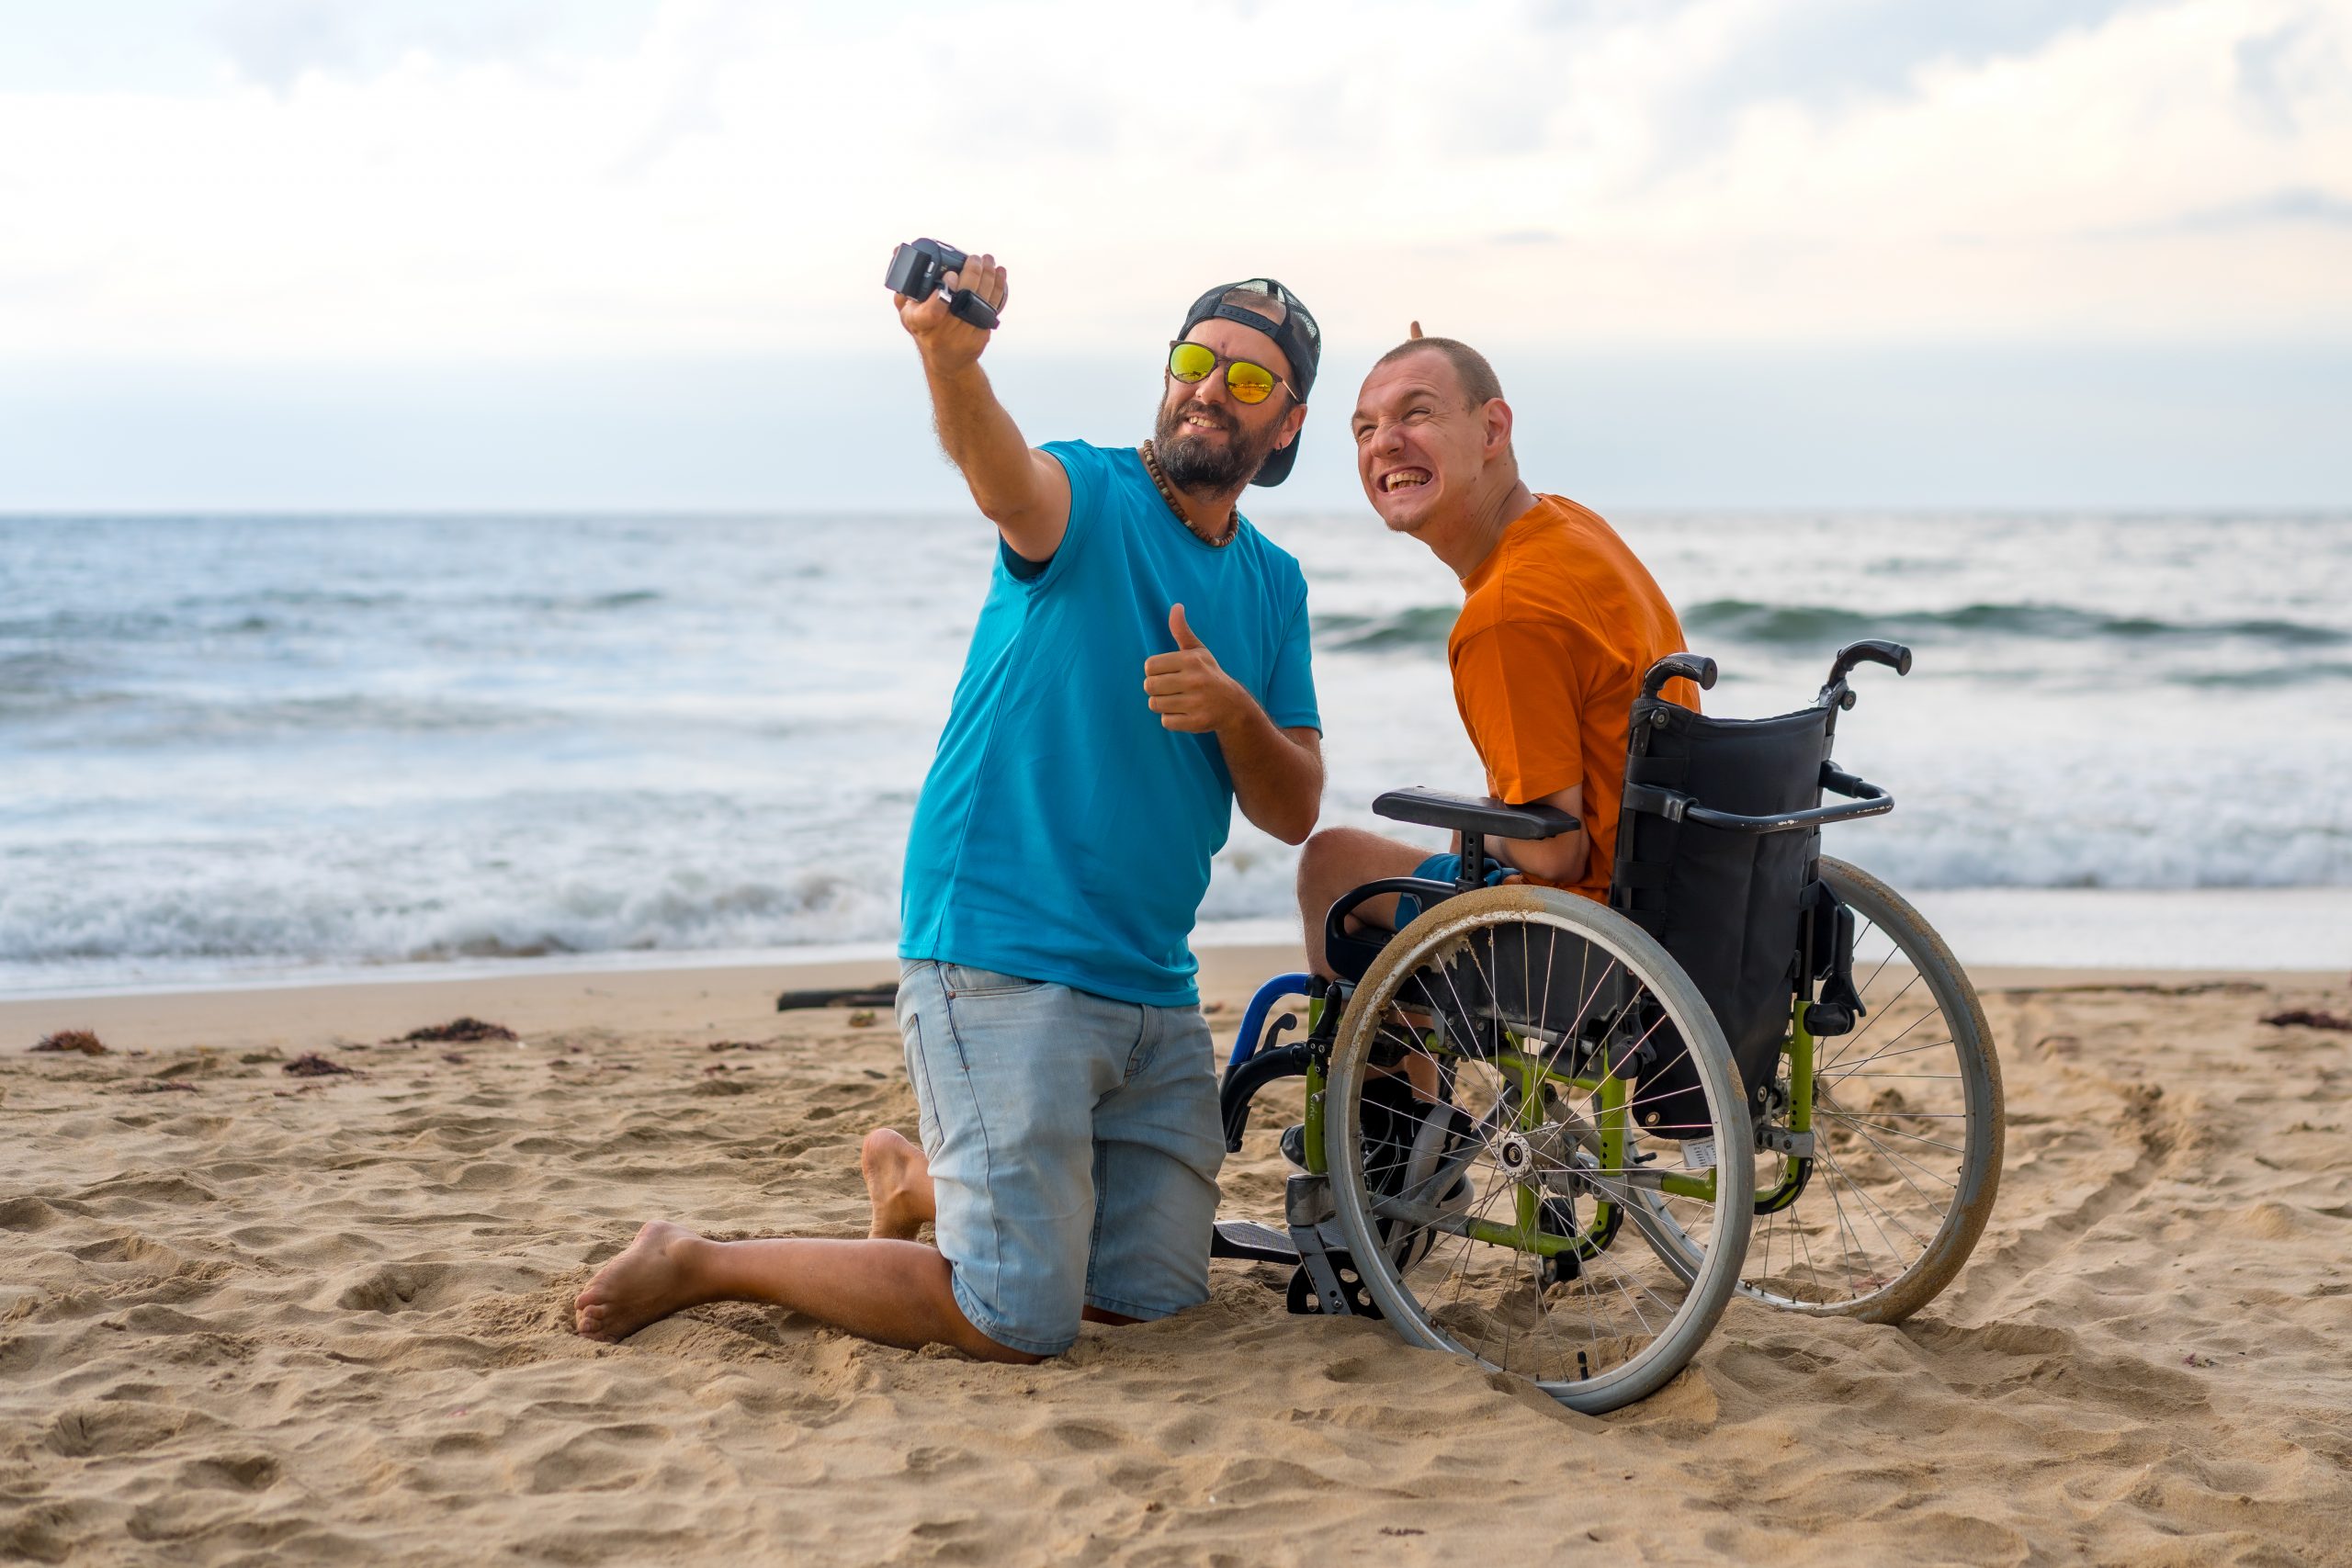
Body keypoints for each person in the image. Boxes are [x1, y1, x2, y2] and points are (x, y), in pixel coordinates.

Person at [574, 253, 1327, 1363]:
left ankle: (921, 1182)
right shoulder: (1088, 494)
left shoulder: (1273, 583)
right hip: (1001, 950)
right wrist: (948, 357)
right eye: (1194, 360)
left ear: (1288, 422)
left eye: (1247, 380)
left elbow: (1295, 805)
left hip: (1151, 984)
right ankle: (699, 1258)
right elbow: (1003, 479)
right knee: (1015, 1317)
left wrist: (1231, 712)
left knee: (1146, 1307)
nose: (1209, 388)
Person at [1293, 326, 1702, 977]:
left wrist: (1477, 828)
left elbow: (1555, 856)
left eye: (1417, 411)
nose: (1384, 442)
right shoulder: (1574, 527)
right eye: (1363, 429)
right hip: (1680, 899)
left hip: (1588, 931)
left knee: (1332, 863)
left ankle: (1392, 1080)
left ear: (1493, 430)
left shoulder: (1505, 612)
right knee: (1465, 833)